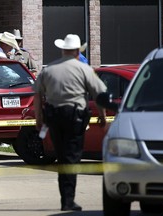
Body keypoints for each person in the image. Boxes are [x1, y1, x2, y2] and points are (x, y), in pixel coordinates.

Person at [33, 34, 107, 211]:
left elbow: (36, 94)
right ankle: (68, 201)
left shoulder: (49, 69)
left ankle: (66, 199)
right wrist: (103, 116)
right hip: (75, 117)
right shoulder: (84, 69)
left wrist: (39, 118)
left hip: (54, 117)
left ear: (63, 50)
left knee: (62, 157)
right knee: (71, 158)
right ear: (76, 52)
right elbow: (99, 95)